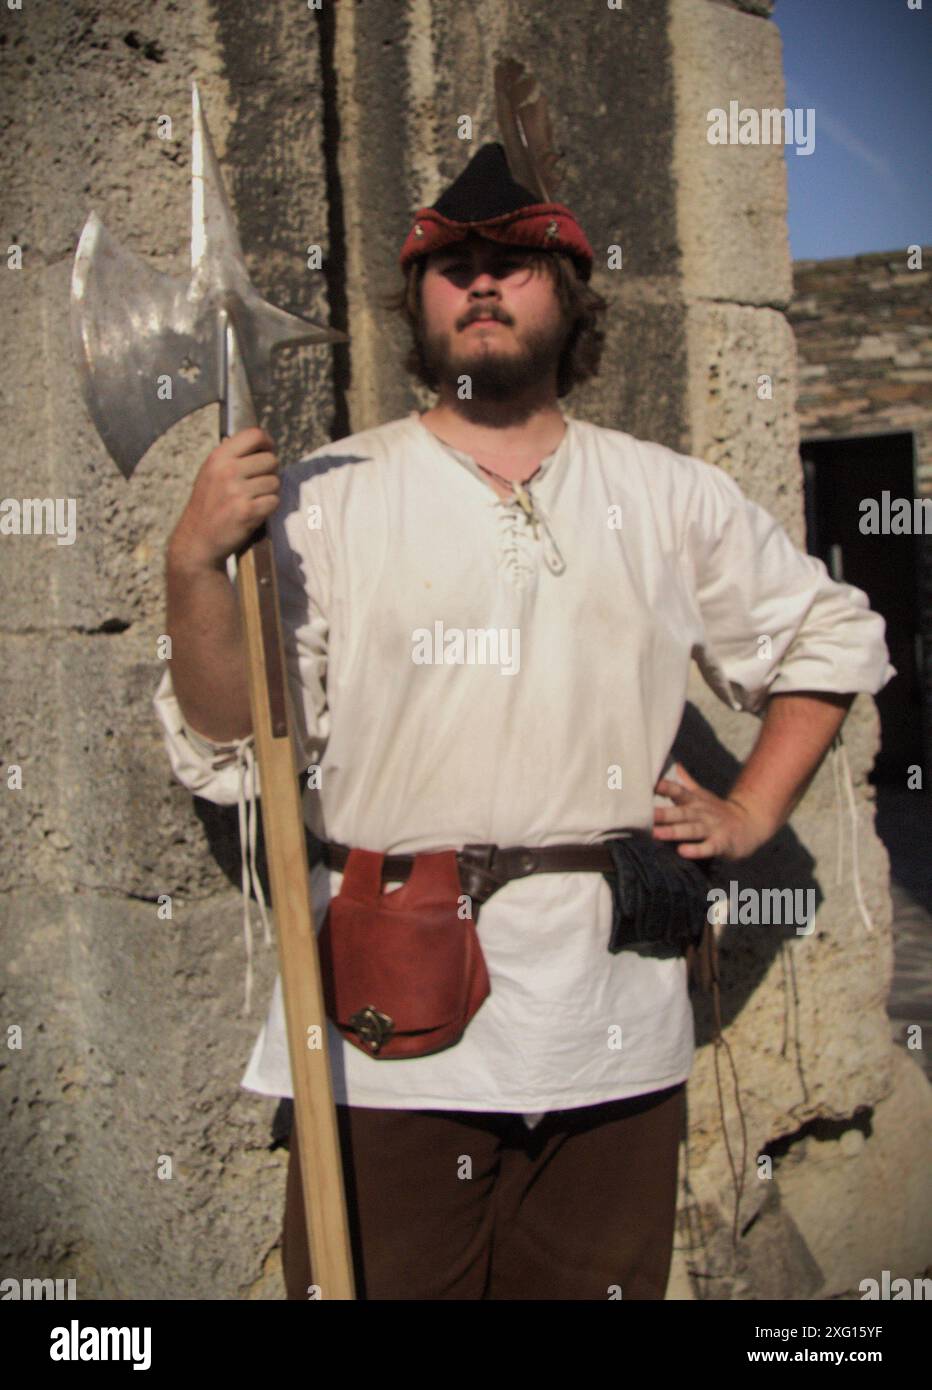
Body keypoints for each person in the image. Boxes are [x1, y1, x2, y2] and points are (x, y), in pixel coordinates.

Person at [153, 142, 896, 1300]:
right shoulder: (327, 495)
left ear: (571, 294)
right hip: (387, 1015)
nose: (482, 282)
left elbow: (831, 634)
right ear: (418, 305)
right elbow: (229, 743)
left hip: (613, 1011)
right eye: (450, 265)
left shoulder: (666, 494)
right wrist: (194, 564)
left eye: (516, 261)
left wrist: (752, 809)